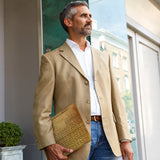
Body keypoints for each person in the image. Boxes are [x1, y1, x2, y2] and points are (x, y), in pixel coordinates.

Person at [33, 1, 134, 160]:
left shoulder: (103, 57)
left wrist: (125, 138)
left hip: (108, 136)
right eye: (83, 16)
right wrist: (49, 144)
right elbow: (41, 110)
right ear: (69, 22)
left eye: (90, 16)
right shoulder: (51, 60)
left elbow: (116, 101)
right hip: (73, 138)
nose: (89, 19)